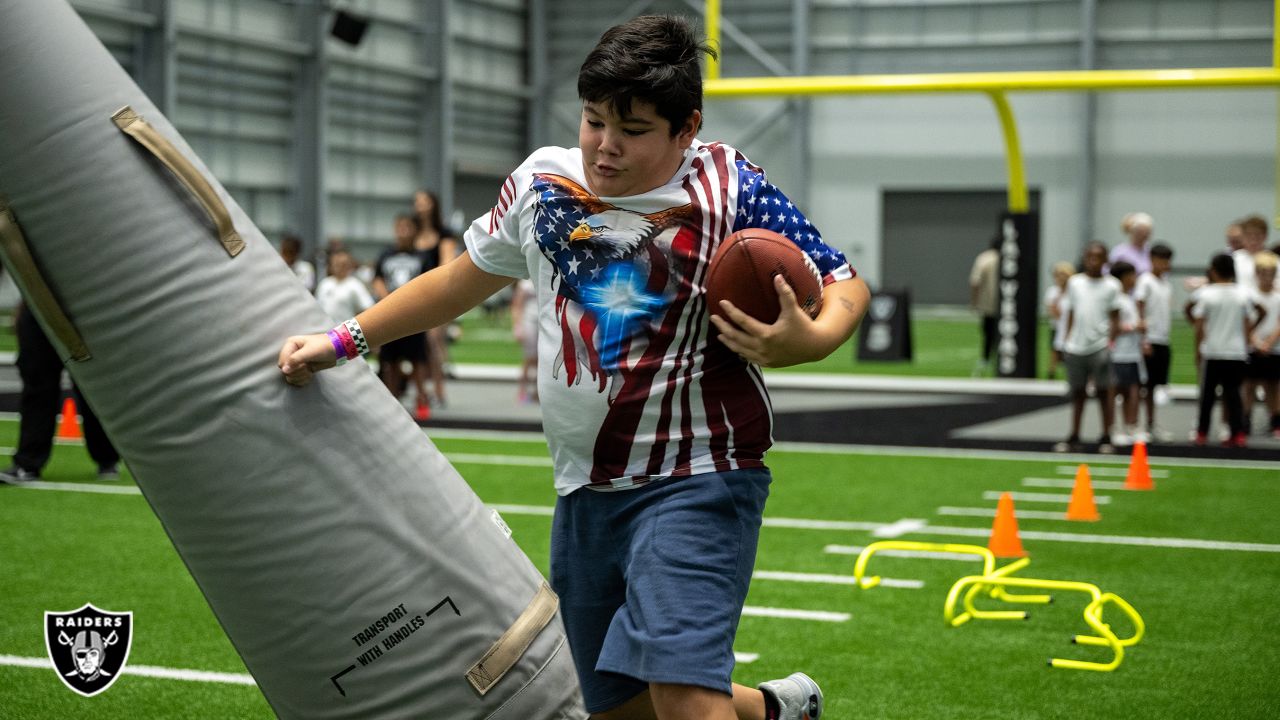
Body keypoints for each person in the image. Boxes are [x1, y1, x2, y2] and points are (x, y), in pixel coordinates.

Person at [280, 15, 869, 720]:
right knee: (622, 709)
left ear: (687, 129)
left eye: (633, 129)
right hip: (584, 490)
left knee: (682, 697)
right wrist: (346, 339)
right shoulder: (542, 183)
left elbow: (842, 280)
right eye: (593, 120)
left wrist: (807, 340)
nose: (605, 145)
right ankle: (774, 711)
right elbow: (461, 281)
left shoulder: (728, 182)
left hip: (700, 474)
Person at [0, 304, 121, 484]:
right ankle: (28, 464)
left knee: (91, 383)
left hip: (82, 304)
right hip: (38, 305)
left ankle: (106, 458)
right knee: (37, 382)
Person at [1189, 253, 1264, 447]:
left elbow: (1198, 324)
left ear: (1213, 271)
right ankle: (1237, 433)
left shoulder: (1206, 293)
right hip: (1236, 351)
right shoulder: (1242, 293)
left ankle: (1202, 432)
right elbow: (1259, 312)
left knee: (1208, 396)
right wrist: (1248, 334)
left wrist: (1197, 349)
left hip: (1213, 351)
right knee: (1233, 395)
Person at [1054, 242, 1121, 454]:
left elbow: (1115, 316)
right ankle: (1074, 435)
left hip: (1100, 345)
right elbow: (1071, 312)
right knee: (1077, 394)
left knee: (1104, 393)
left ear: (1105, 260)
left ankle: (1106, 435)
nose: (1093, 261)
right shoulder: (1075, 283)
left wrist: (1111, 341)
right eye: (1089, 257)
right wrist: (1065, 341)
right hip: (1076, 346)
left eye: (1098, 257)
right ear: (1084, 258)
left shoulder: (1112, 285)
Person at [372, 214, 433, 421]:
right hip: (391, 313)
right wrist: (387, 300)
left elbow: (429, 281)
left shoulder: (422, 257)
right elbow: (378, 279)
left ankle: (422, 399)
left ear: (415, 230)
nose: (403, 231)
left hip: (414, 314)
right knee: (390, 361)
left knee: (416, 360)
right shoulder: (386, 255)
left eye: (407, 227)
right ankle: (392, 400)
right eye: (400, 227)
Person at [413, 189, 459, 406]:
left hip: (435, 295)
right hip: (413, 294)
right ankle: (420, 389)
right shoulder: (412, 235)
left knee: (433, 342)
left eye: (424, 202)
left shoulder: (444, 233)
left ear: (433, 205)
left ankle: (439, 389)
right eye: (417, 202)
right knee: (416, 343)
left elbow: (446, 264)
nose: (420, 206)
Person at [1134, 243, 1174, 441]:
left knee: (1157, 385)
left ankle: (1151, 423)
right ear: (1151, 260)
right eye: (1161, 260)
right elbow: (1139, 306)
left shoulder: (1166, 283)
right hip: (1149, 339)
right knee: (1146, 386)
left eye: (1167, 260)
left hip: (1163, 339)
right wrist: (1143, 339)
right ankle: (1142, 424)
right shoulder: (1145, 281)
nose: (1165, 264)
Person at [1108, 261, 1144, 446]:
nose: (1135, 280)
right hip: (1118, 352)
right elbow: (1111, 326)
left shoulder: (1128, 298)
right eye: (1132, 275)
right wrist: (1133, 327)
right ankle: (1114, 427)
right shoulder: (1116, 299)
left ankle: (1131, 425)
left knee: (1133, 389)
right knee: (1117, 390)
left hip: (1132, 351)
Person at [1244, 251, 1280, 437]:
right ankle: (1245, 419)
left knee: (1273, 386)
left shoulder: (1278, 297)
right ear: (1257, 274)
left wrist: (1268, 343)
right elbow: (1246, 323)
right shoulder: (1250, 296)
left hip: (1273, 348)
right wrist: (1256, 342)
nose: (1267, 278)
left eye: (1271, 273)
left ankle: (1275, 420)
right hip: (1253, 347)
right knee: (1249, 385)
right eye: (1263, 273)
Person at [315, 249, 375, 323]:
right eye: (336, 264)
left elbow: (368, 308)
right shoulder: (324, 284)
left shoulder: (355, 285)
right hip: (324, 331)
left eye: (343, 264)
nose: (339, 267)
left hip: (345, 332)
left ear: (348, 266)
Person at [968, 235, 1000, 376]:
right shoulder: (1011, 259)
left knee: (987, 332)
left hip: (987, 304)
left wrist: (974, 302)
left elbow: (975, 281)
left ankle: (985, 358)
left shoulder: (984, 258)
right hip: (1006, 305)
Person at [1044, 261, 1074, 379]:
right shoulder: (1052, 292)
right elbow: (1054, 313)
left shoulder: (1074, 291)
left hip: (1072, 327)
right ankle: (1051, 372)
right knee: (1055, 350)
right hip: (1057, 326)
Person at [511, 278, 539, 404]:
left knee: (543, 359)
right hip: (529, 321)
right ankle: (522, 391)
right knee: (529, 358)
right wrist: (518, 326)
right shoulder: (525, 283)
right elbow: (517, 305)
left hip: (543, 322)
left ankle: (537, 392)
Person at [1109, 212, 1153, 276]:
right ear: (1132, 232)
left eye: (1147, 232)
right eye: (1140, 232)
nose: (1144, 235)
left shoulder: (1151, 252)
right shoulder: (1120, 252)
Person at [1233, 214, 1268, 292]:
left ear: (1265, 236)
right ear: (1242, 236)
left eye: (1257, 235)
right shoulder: (1233, 259)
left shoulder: (1274, 261)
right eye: (1249, 235)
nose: (1253, 240)